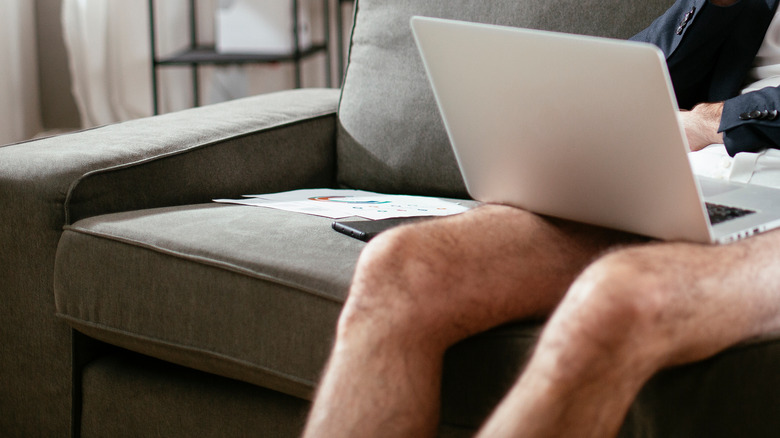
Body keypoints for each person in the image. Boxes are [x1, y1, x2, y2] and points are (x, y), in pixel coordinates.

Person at [303, 0, 780, 437]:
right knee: (401, 267)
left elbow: (701, 118)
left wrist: (713, 119)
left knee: (615, 296)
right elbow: (621, 79)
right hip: (693, 178)